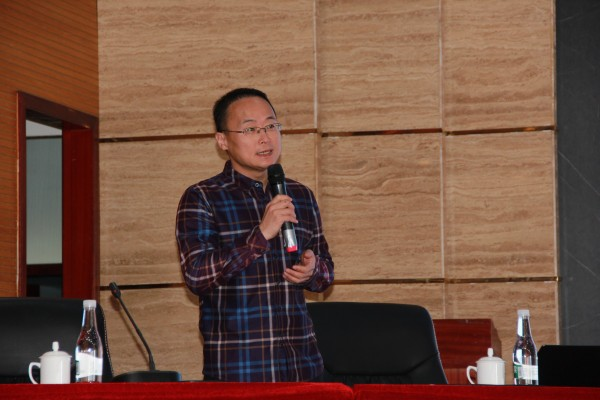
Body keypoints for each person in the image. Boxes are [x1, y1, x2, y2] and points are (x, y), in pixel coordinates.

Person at [175, 88, 334, 382]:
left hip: (303, 367)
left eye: (271, 126)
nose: (265, 137)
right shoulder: (202, 197)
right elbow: (197, 275)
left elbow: (326, 274)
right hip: (241, 371)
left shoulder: (300, 194)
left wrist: (313, 270)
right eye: (250, 129)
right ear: (223, 140)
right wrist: (261, 234)